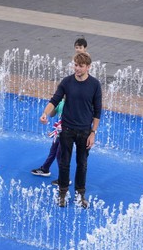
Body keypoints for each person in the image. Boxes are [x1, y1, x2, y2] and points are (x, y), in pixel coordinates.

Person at [40, 51, 102, 209]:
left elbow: (97, 112)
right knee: (64, 163)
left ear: (88, 67)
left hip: (85, 132)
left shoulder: (95, 85)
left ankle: (80, 194)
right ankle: (62, 193)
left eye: (81, 66)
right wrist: (45, 113)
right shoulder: (67, 82)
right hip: (67, 129)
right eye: (76, 65)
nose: (77, 69)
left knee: (82, 164)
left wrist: (93, 133)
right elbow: (54, 100)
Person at [31, 99, 64, 178]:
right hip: (58, 132)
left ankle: (64, 177)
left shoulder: (73, 103)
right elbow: (52, 114)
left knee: (59, 154)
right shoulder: (61, 102)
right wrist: (54, 105)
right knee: (53, 151)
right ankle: (45, 169)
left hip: (67, 133)